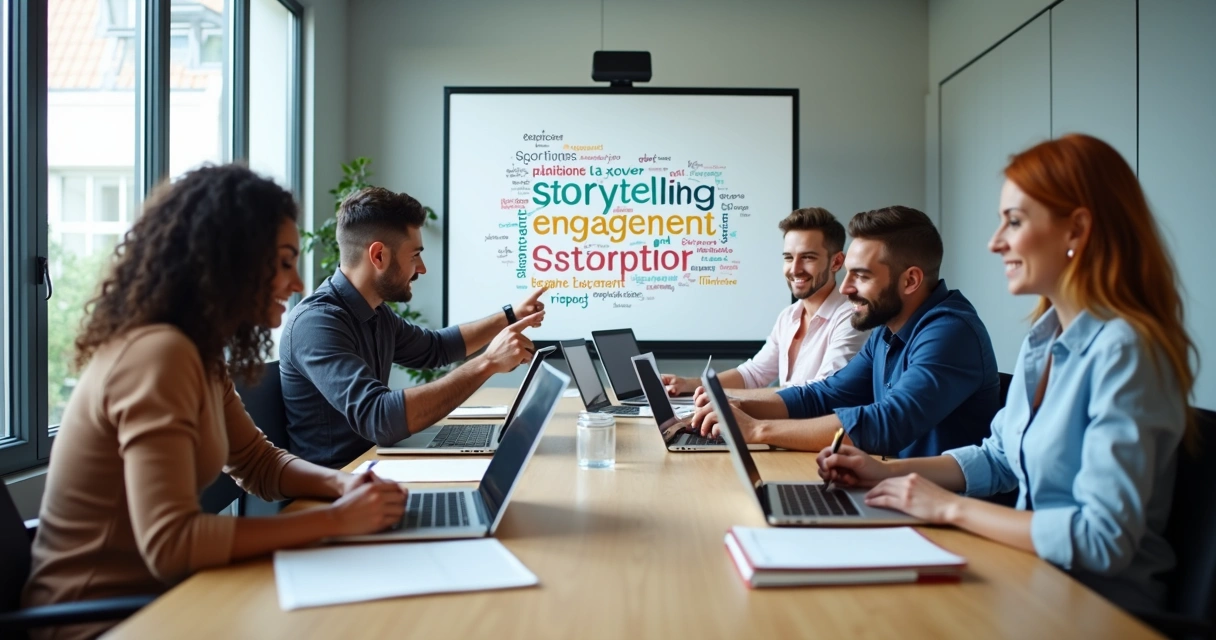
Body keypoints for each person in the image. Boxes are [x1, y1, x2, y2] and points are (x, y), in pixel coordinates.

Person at [22, 165, 406, 640]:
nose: (299, 283)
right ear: (232, 261)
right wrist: (335, 521)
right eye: (285, 262)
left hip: (167, 604)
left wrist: (342, 486)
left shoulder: (198, 354)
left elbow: (257, 463)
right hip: (99, 623)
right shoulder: (158, 355)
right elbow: (172, 542)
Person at [818, 134, 1196, 614]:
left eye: (1013, 222)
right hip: (1030, 580)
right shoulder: (1047, 338)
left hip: (1096, 610)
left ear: (1076, 231)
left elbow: (1103, 539)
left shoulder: (1127, 352)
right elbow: (998, 459)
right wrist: (887, 471)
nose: (996, 243)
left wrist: (948, 507)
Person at [693, 206, 999, 457]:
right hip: (896, 490)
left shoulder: (951, 332)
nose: (845, 287)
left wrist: (756, 430)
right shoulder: (886, 330)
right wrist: (737, 406)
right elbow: (825, 395)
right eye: (848, 272)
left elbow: (887, 423)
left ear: (910, 281)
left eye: (861, 276)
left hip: (942, 516)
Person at [280, 187, 544, 469]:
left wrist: (510, 316)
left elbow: (437, 348)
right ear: (378, 256)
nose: (422, 268)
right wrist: (487, 363)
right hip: (335, 492)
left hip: (373, 469)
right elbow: (379, 417)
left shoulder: (376, 313)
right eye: (415, 255)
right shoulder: (316, 324)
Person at [660, 208, 868, 395]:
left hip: (820, 437)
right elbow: (754, 373)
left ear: (837, 262)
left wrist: (723, 399)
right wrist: (693, 384)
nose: (794, 269)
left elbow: (819, 394)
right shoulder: (789, 316)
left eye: (808, 257)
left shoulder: (852, 318)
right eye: (788, 257)